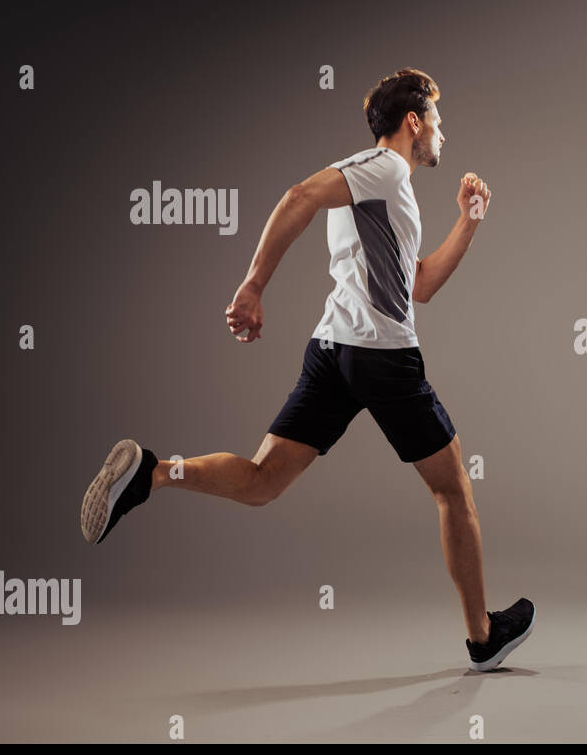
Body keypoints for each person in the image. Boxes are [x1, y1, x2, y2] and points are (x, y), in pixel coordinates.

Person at [79, 68, 534, 673]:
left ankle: (155, 473)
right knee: (454, 490)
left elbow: (419, 285)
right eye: (439, 122)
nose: (443, 136)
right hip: (384, 360)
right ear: (414, 122)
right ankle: (481, 638)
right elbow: (297, 196)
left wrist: (469, 222)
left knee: (264, 479)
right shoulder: (386, 168)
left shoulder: (377, 185)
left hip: (332, 353)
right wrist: (253, 285)